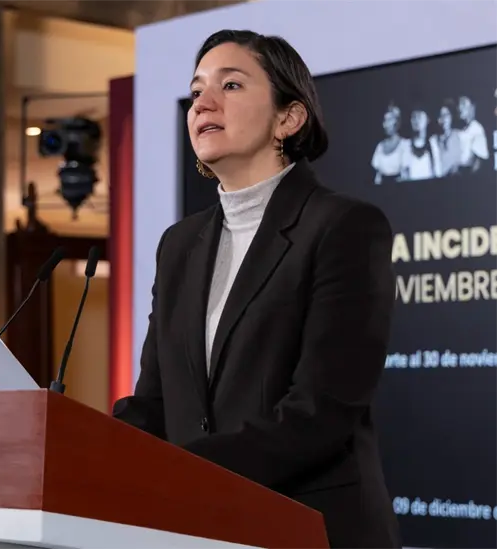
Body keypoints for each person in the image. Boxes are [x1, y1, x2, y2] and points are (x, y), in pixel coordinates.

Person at [112, 29, 400, 549]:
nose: (204, 101)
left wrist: (178, 470)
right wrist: (81, 443)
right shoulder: (178, 245)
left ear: (288, 118)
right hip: (198, 530)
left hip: (311, 526)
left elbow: (321, 412)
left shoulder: (344, 227)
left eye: (232, 85)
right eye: (197, 90)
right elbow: (155, 402)